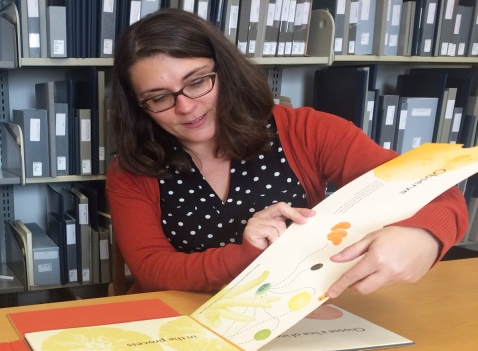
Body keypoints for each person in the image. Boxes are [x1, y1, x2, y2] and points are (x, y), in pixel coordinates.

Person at [106, 8, 468, 298]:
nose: (186, 107)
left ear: (225, 72)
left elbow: (435, 189)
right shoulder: (131, 170)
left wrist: (424, 235)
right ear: (139, 107)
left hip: (293, 314)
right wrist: (251, 256)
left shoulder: (307, 131)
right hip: (178, 320)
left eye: (197, 81)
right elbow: (153, 270)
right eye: (159, 97)